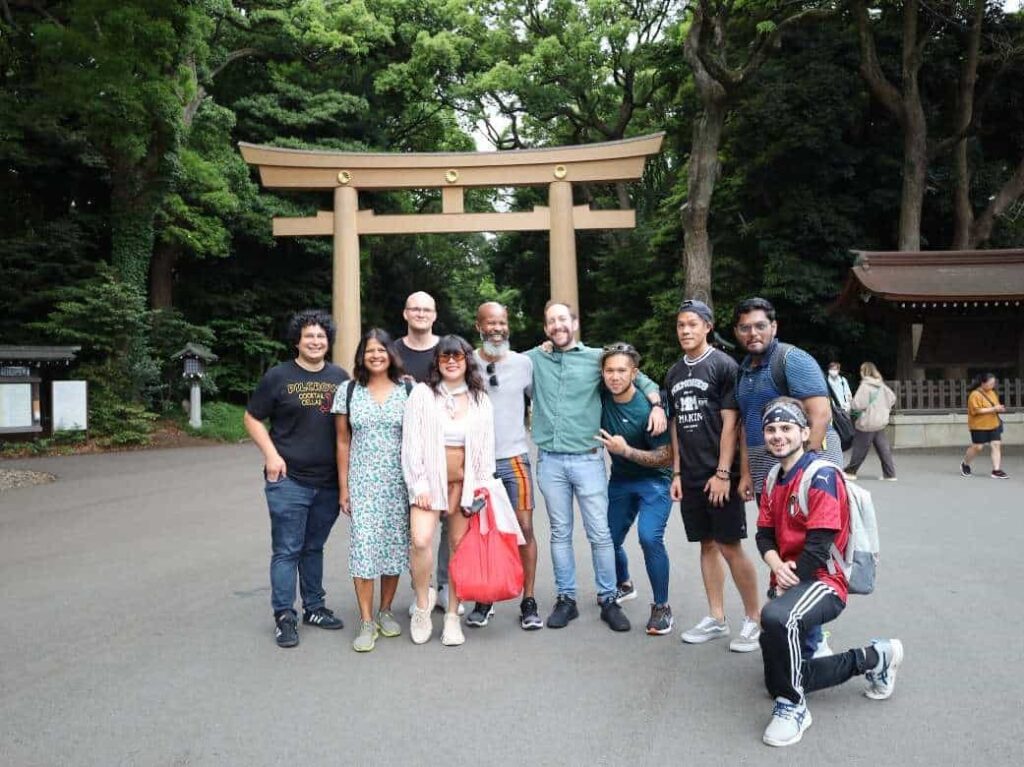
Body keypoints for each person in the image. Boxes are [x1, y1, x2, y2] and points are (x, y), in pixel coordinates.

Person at [756, 396, 903, 747]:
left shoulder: (821, 475)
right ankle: (875, 657)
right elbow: (763, 535)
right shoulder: (773, 477)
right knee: (780, 676)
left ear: (805, 432)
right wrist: (776, 565)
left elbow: (820, 546)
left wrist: (785, 587)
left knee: (778, 619)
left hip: (825, 579)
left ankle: (794, 707)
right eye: (771, 429)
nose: (778, 435)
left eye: (787, 428)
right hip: (790, 575)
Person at [526, 301, 667, 632]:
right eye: (552, 321)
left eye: (563, 319)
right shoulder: (534, 358)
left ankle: (609, 598)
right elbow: (496, 365)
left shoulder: (595, 359)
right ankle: (566, 599)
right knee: (560, 532)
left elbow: (636, 374)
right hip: (550, 460)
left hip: (588, 458)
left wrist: (657, 403)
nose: (558, 325)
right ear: (546, 328)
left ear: (574, 323)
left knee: (600, 534)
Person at [242, 310, 349, 648]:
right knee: (287, 549)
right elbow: (252, 417)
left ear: (328, 341)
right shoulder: (278, 376)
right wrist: (271, 455)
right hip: (289, 480)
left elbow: (348, 429)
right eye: (309, 336)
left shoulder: (340, 378)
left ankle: (314, 607)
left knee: (313, 547)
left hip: (329, 482)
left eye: (321, 336)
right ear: (297, 341)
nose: (315, 342)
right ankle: (284, 615)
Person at [664, 300, 762, 651]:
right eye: (680, 325)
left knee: (730, 545)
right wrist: (675, 471)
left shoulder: (723, 365)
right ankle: (717, 617)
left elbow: (732, 424)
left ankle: (754, 619)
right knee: (706, 544)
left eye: (692, 324)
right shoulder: (674, 372)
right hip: (689, 474)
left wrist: (724, 473)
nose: (685, 330)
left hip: (719, 474)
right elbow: (675, 425)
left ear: (708, 326)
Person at [402, 335, 496, 646]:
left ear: (467, 361)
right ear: (437, 362)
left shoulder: (481, 399)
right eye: (445, 357)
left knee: (458, 547)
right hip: (428, 479)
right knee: (420, 540)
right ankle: (422, 604)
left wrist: (481, 488)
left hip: (464, 482)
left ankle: (453, 616)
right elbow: (412, 443)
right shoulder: (422, 394)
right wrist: (418, 484)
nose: (452, 362)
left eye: (458, 356)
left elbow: (485, 449)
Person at [332, 329, 411, 652]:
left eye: (381, 350)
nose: (376, 355)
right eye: (369, 351)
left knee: (393, 549)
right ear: (361, 357)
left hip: (400, 482)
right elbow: (342, 441)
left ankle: (385, 610)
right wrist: (343, 487)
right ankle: (366, 620)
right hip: (363, 482)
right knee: (364, 549)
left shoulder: (408, 389)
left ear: (391, 353)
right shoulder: (348, 391)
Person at [467, 302, 543, 630]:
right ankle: (486, 597)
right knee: (485, 533)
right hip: (478, 461)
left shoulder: (525, 363)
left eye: (502, 323)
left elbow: (551, 394)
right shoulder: (464, 361)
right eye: (490, 323)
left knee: (524, 529)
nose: (497, 328)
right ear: (479, 326)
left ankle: (528, 599)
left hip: (515, 457)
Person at [594, 343, 674, 635]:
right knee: (607, 539)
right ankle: (624, 583)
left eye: (622, 371)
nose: (615, 376)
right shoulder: (602, 395)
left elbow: (666, 457)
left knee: (649, 538)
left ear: (634, 373)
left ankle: (662, 607)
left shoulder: (648, 409)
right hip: (621, 481)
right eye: (610, 371)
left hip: (655, 481)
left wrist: (626, 450)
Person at [732, 297, 844, 500]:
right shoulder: (743, 370)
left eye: (760, 326)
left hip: (811, 471)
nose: (753, 333)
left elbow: (820, 415)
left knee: (816, 530)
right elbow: (747, 425)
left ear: (774, 327)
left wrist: (800, 472)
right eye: (744, 328)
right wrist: (746, 473)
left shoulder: (792, 359)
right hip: (766, 473)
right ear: (736, 332)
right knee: (772, 532)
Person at [395, 291, 461, 615]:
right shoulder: (391, 352)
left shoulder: (447, 349)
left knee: (452, 526)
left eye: (427, 309)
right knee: (418, 529)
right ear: (405, 313)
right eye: (415, 309)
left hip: (449, 452)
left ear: (435, 315)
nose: (421, 314)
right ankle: (421, 589)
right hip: (406, 451)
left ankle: (447, 586)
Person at [843, 362, 897, 481]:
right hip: (880, 421)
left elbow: (857, 405)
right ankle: (890, 474)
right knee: (883, 448)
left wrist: (854, 408)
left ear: (864, 372)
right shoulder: (881, 385)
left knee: (860, 448)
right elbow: (892, 398)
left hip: (867, 422)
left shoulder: (865, 386)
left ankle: (851, 471)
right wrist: (883, 409)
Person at [961, 372, 1009, 479]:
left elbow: (994, 406)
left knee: (996, 445)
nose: (993, 385)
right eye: (990, 383)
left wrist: (999, 408)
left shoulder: (992, 393)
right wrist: (994, 409)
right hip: (979, 425)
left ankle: (996, 470)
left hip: (993, 423)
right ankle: (965, 464)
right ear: (983, 383)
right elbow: (976, 410)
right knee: (977, 447)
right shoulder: (975, 394)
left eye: (994, 383)